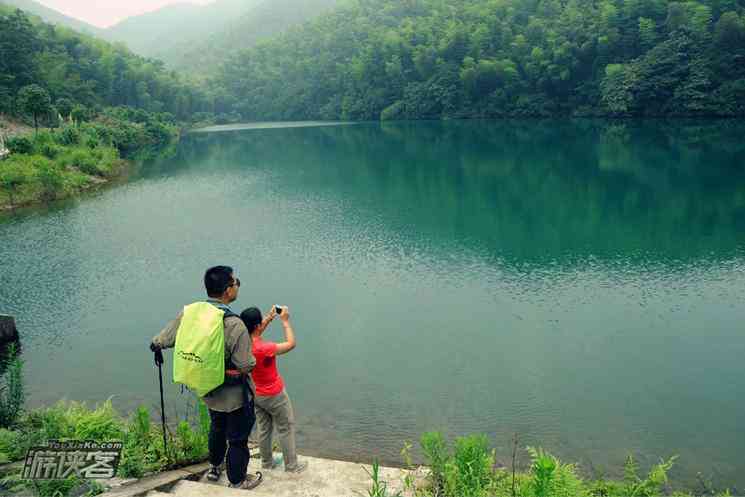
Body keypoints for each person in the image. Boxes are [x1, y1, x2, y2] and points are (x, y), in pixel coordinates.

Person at [150, 266, 263, 490]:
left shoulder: (190, 313)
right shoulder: (234, 324)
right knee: (238, 438)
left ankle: (214, 469)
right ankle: (238, 481)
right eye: (235, 282)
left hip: (207, 388)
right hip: (235, 395)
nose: (237, 285)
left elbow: (164, 338)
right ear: (228, 290)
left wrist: (156, 344)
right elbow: (244, 364)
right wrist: (254, 360)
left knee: (217, 427)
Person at [240, 305, 307, 473]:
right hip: (274, 394)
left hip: (256, 394)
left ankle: (267, 463)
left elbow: (256, 332)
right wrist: (285, 321)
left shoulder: (243, 344)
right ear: (256, 326)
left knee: (264, 429)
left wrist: (270, 317)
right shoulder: (265, 348)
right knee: (285, 427)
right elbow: (291, 344)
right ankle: (292, 466)